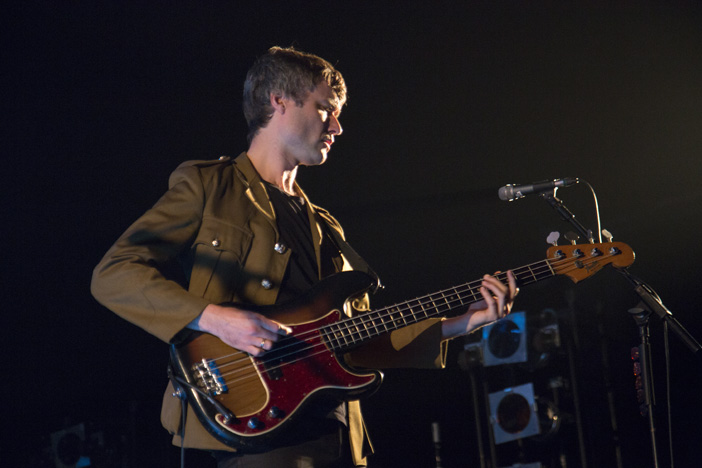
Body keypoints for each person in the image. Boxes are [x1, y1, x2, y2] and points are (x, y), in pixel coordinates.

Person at [91, 46, 517, 468]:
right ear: (279, 100)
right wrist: (212, 317)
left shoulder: (327, 227)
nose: (337, 126)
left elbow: (359, 338)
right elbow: (114, 273)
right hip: (261, 435)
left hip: (340, 439)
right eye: (325, 109)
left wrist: (463, 323)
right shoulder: (209, 186)